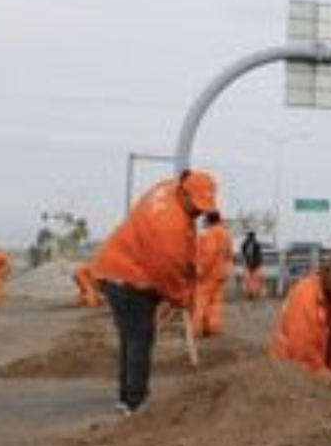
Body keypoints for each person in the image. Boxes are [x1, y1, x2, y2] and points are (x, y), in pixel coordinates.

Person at [91, 170, 218, 413]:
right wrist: (180, 297)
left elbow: (183, 248)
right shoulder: (168, 224)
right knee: (140, 336)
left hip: (118, 265)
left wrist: (188, 272)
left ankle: (128, 395)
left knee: (132, 336)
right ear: (184, 192)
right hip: (127, 275)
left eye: (205, 205)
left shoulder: (169, 188)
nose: (201, 211)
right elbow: (166, 271)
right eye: (198, 204)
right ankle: (133, 403)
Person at [267, 250, 331, 379]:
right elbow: (303, 349)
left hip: (320, 365)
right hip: (291, 371)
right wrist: (323, 373)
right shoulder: (306, 296)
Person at [192, 212, 232, 338]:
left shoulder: (210, 234)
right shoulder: (226, 234)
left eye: (204, 220)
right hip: (221, 273)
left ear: (209, 220)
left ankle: (198, 329)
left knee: (201, 302)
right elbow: (229, 255)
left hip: (208, 274)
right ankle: (213, 328)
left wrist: (200, 271)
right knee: (215, 303)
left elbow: (209, 254)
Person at [239, 230, 265, 300]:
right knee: (253, 280)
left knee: (250, 280)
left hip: (252, 264)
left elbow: (244, 254)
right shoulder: (255, 244)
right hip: (253, 264)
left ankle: (252, 293)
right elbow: (258, 255)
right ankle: (252, 293)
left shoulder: (246, 244)